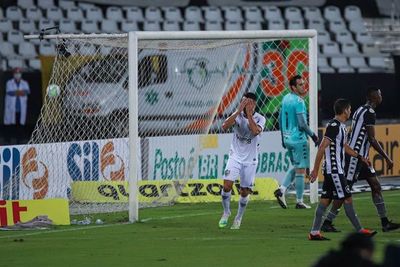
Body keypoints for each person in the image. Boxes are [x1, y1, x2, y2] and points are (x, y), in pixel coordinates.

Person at [321, 87, 400, 233]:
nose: (381, 96)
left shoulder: (359, 110)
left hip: (363, 158)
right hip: (355, 159)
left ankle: (385, 222)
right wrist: (387, 157)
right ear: (373, 97)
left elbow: (354, 130)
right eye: (379, 94)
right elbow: (372, 138)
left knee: (375, 186)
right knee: (345, 190)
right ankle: (327, 221)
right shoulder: (369, 112)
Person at [308, 98, 377, 240]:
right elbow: (322, 147)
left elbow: (344, 147)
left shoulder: (341, 127)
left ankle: (314, 232)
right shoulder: (334, 125)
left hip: (333, 170)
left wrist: (360, 157)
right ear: (345, 110)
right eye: (349, 109)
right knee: (348, 198)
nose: (350, 111)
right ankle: (360, 231)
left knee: (325, 200)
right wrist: (315, 170)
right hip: (334, 171)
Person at [218, 92, 266, 230]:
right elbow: (224, 126)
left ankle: (238, 218)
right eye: (244, 101)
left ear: (255, 104)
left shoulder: (260, 118)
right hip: (235, 156)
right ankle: (226, 212)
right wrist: (238, 111)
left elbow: (255, 131)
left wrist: (249, 115)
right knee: (227, 185)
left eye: (249, 102)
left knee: (244, 191)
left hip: (251, 160)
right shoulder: (237, 115)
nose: (246, 104)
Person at [274, 75, 319, 209]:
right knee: (301, 170)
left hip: (288, 139)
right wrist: (313, 136)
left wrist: (283, 138)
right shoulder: (299, 102)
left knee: (296, 167)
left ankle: (282, 190)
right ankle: (299, 201)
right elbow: (302, 124)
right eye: (300, 84)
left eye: (303, 83)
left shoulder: (285, 98)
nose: (303, 86)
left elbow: (281, 119)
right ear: (293, 87)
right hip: (298, 139)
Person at [312, 232, 379, 267]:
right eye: (370, 252)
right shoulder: (362, 264)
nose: (371, 257)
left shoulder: (326, 260)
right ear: (363, 250)